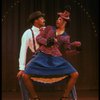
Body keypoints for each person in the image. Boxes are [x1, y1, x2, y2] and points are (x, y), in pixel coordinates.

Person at [21, 9, 81, 100]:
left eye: (60, 19)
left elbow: (68, 52)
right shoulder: (49, 28)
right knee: (25, 75)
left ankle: (64, 97)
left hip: (56, 58)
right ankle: (35, 97)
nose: (57, 20)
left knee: (75, 74)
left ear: (65, 22)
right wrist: (47, 42)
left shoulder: (66, 36)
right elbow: (38, 38)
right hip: (42, 56)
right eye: (57, 19)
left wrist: (77, 50)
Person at [17, 11, 46, 100]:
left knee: (70, 72)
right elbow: (23, 51)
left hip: (50, 57)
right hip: (37, 59)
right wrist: (22, 68)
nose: (44, 20)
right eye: (41, 18)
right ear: (36, 21)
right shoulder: (28, 33)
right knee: (21, 77)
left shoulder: (47, 30)